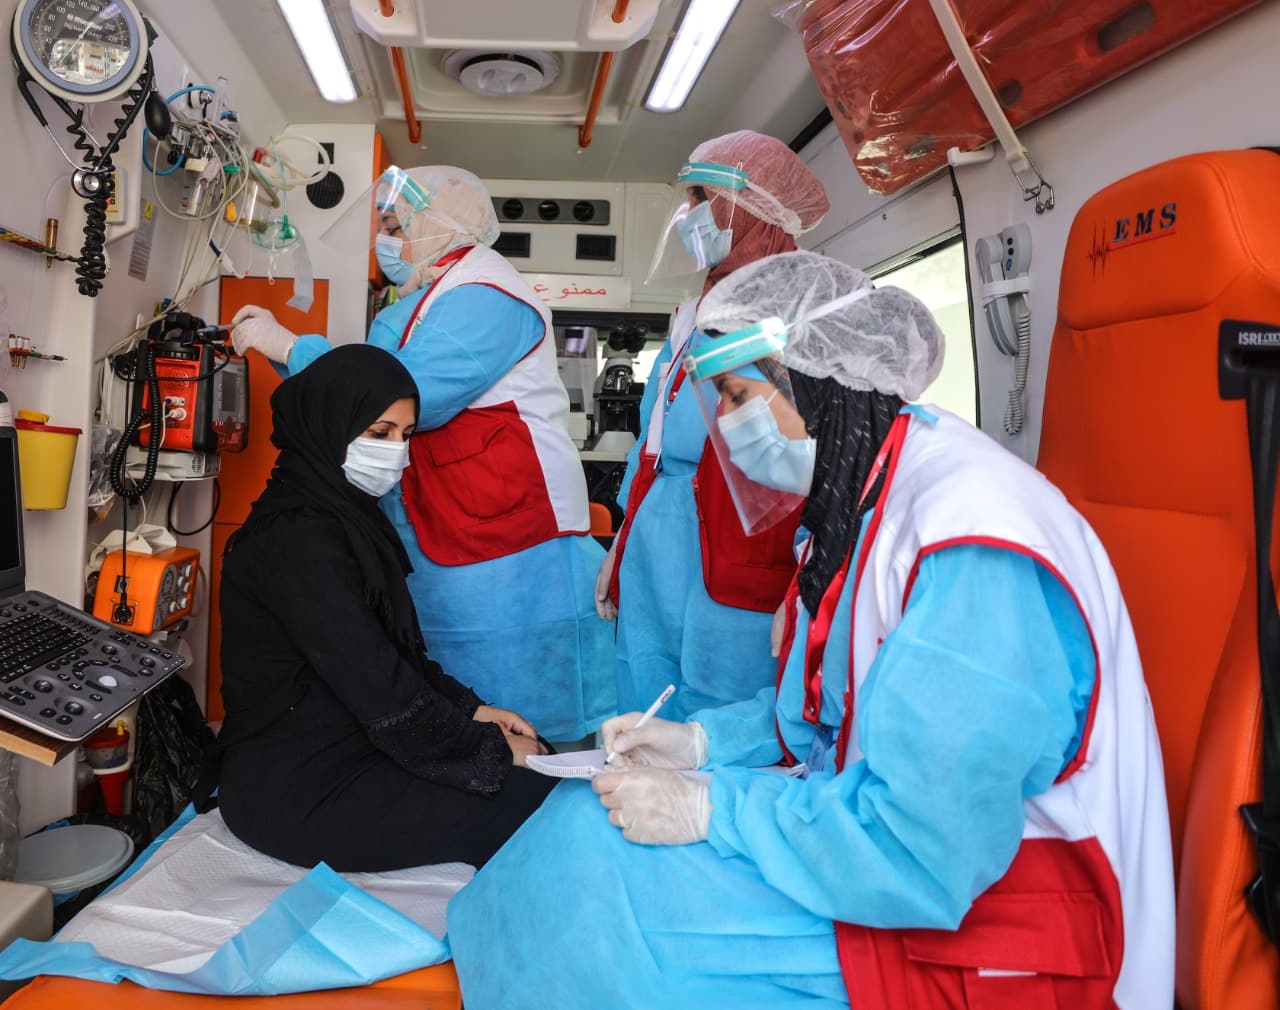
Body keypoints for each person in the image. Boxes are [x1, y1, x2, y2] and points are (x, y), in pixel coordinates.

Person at [447, 253, 1174, 1007]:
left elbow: (923, 846)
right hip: (870, 847)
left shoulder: (972, 544)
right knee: (581, 819)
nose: (727, 429)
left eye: (736, 395)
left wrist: (713, 808)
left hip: (1007, 918)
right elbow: (834, 715)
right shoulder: (866, 499)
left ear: (817, 378)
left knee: (609, 898)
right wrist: (703, 745)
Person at [230, 165, 615, 743]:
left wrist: (291, 346)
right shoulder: (421, 300)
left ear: (438, 224)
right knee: (454, 704)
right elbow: (363, 383)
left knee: (532, 725)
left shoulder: (487, 294)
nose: (384, 238)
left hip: (507, 543)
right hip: (451, 529)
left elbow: (391, 392)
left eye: (394, 224)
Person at [216, 344, 554, 870]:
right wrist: (483, 745)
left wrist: (474, 711)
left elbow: (394, 654)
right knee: (532, 800)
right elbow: (377, 685)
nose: (397, 450)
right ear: (329, 425)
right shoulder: (297, 539)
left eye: (405, 434)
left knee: (540, 766)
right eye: (379, 433)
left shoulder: (345, 521)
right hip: (296, 785)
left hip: (351, 748)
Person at [598, 130, 830, 720]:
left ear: (751, 208)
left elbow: (826, 463)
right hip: (660, 530)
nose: (690, 217)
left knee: (723, 700)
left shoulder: (802, 310)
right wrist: (623, 539)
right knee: (643, 685)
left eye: (703, 199)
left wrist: (815, 574)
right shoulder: (692, 315)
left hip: (745, 530)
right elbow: (653, 435)